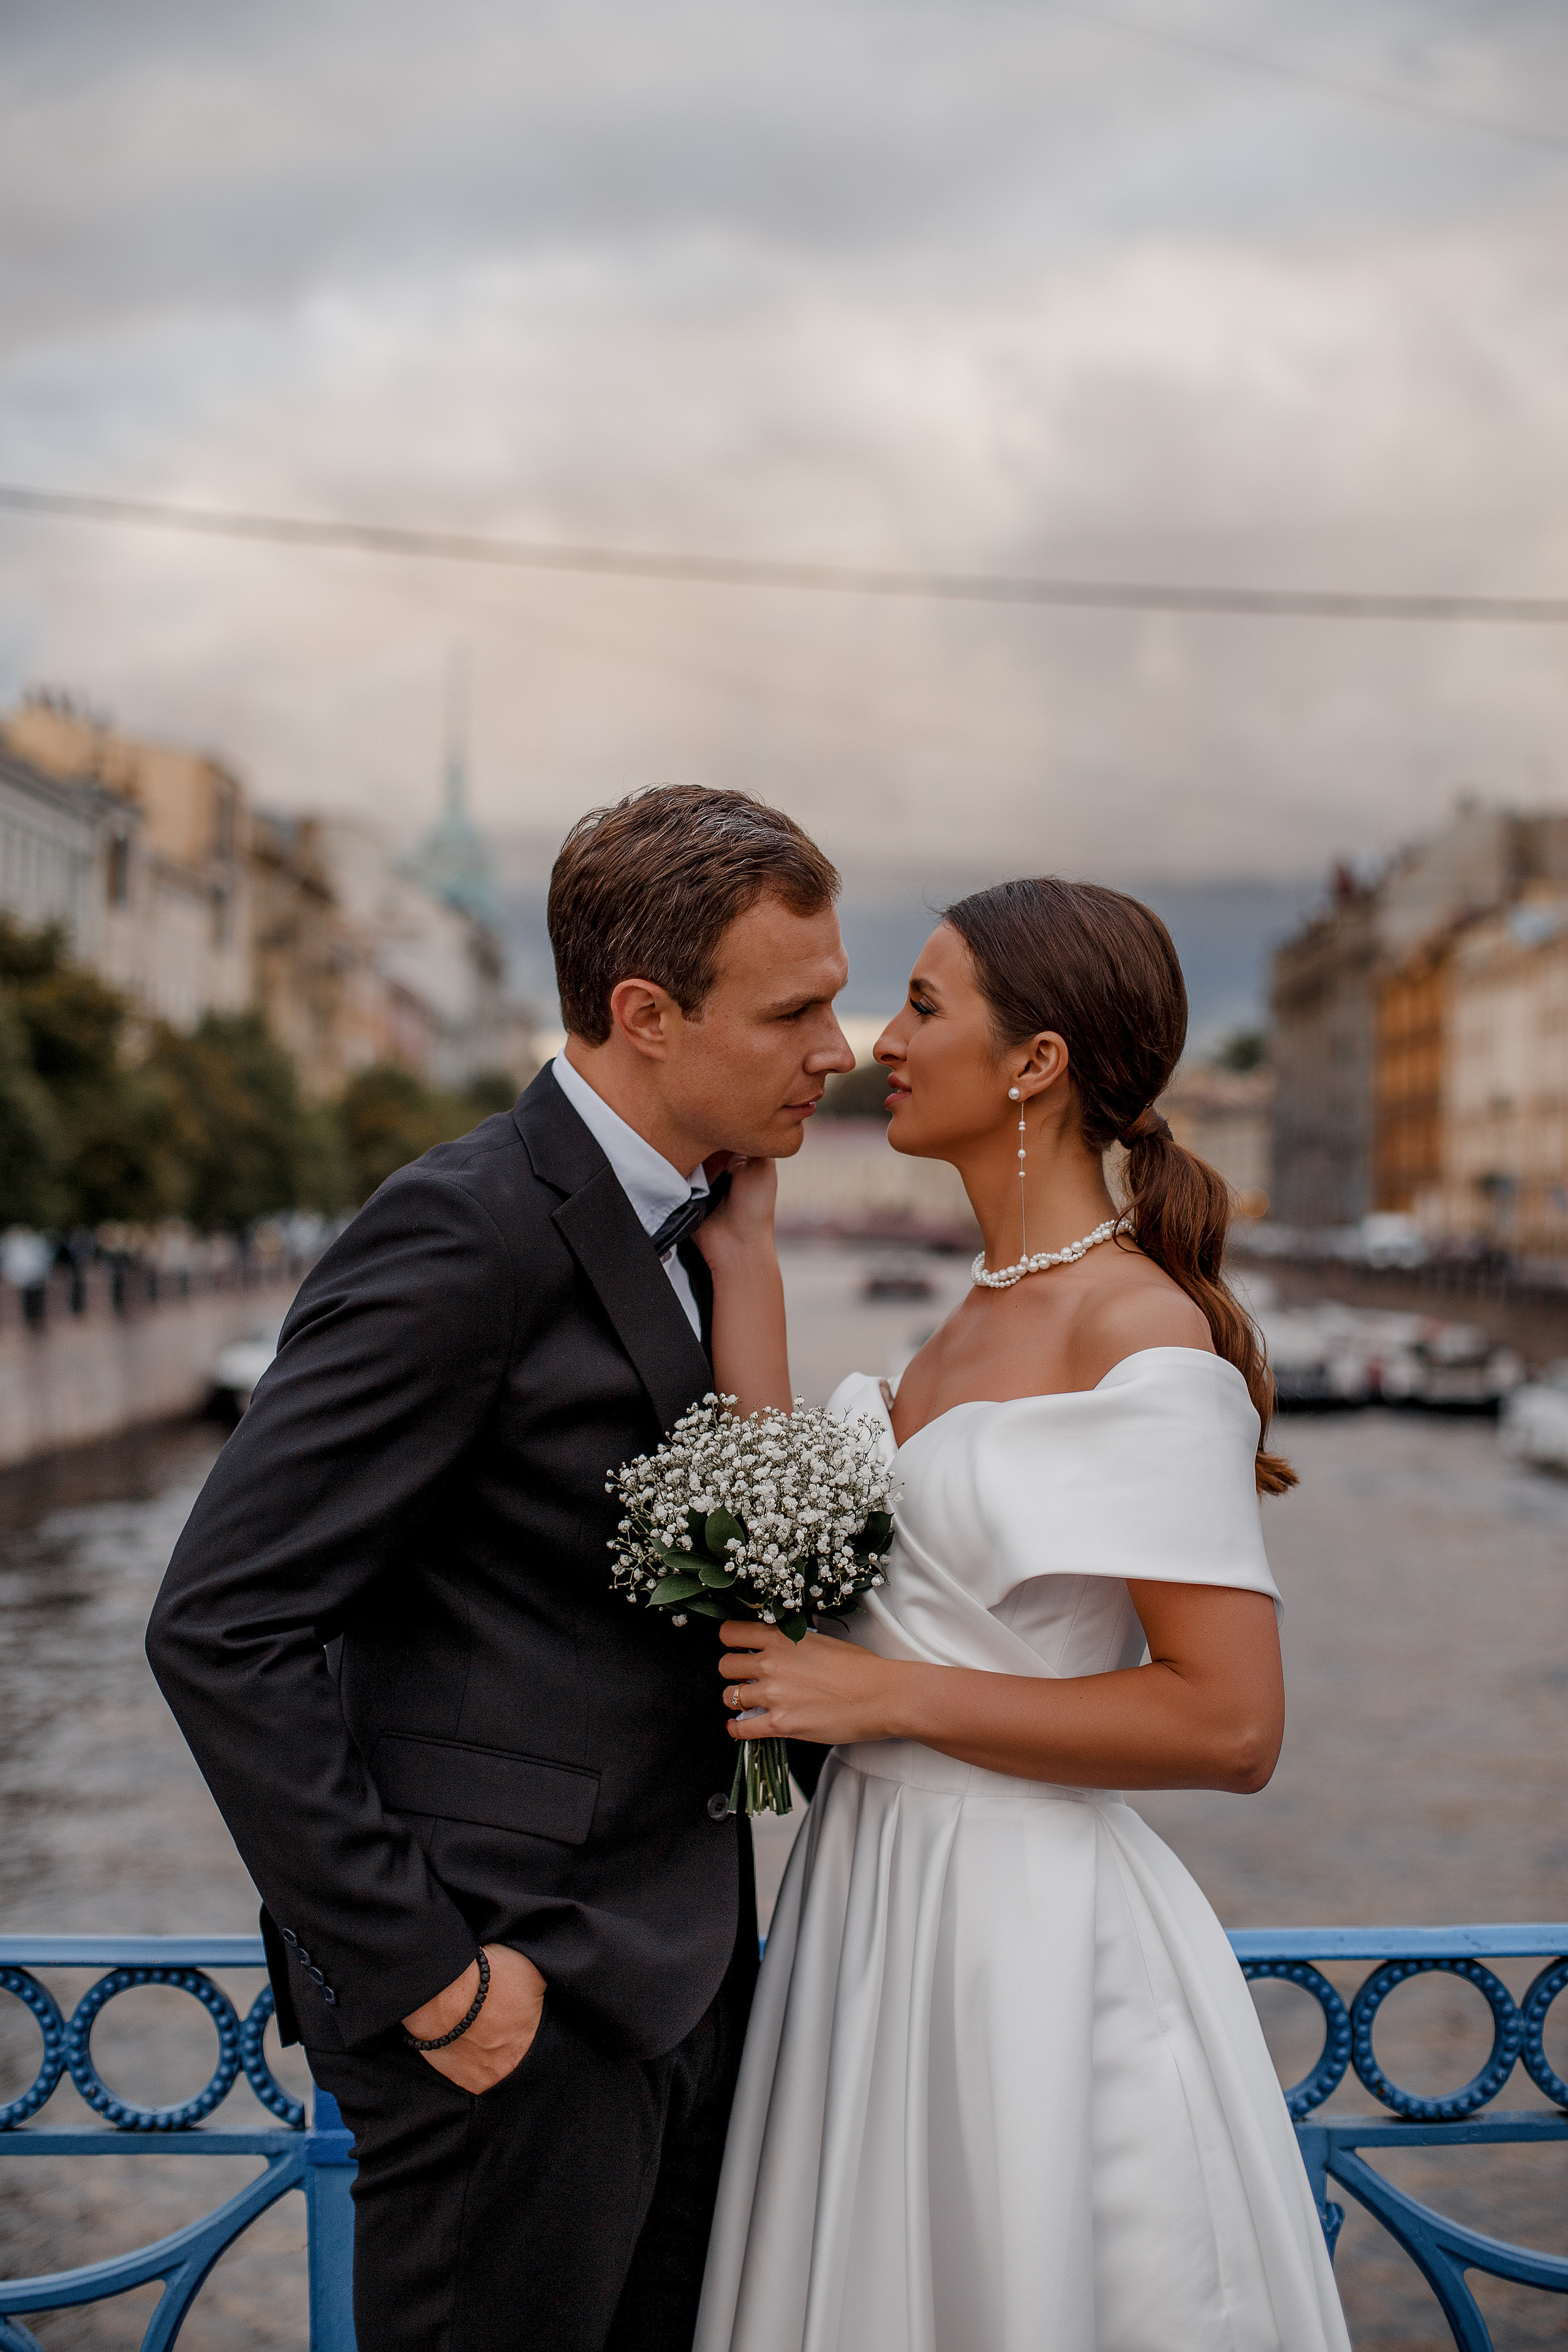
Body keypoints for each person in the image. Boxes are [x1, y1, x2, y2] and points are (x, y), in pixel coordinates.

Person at [145, 784, 852, 2352]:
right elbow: (219, 1626)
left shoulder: (688, 1221)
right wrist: (434, 1982)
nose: (839, 1050)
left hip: (662, 1981)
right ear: (645, 1014)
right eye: (796, 1008)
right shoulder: (463, 1229)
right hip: (512, 2006)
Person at [690, 878, 1352, 2352]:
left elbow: (1230, 1723)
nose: (878, 1042)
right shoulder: (966, 1318)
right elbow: (792, 1552)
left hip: (1025, 1942)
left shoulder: (1136, 1330)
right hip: (865, 1910)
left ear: (1033, 1064)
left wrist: (884, 1700)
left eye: (923, 1006)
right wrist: (746, 1264)